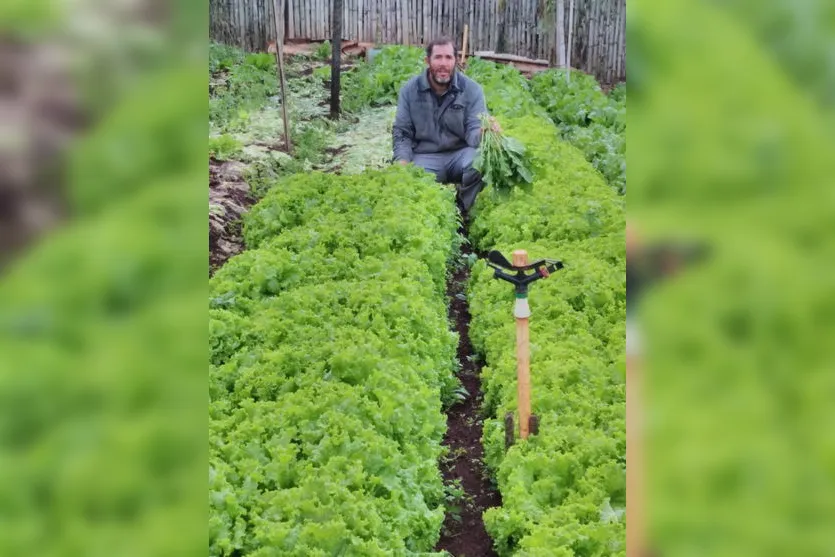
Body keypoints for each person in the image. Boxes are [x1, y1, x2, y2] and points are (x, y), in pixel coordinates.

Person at [392, 36, 489, 212]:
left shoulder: (472, 90)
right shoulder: (410, 90)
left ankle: (463, 209)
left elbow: (473, 130)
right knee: (409, 179)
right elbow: (402, 133)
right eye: (438, 57)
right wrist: (402, 161)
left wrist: (483, 133)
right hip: (425, 156)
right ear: (427, 60)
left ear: (456, 61)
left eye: (448, 57)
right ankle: (431, 214)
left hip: (460, 154)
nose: (443, 63)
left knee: (481, 162)